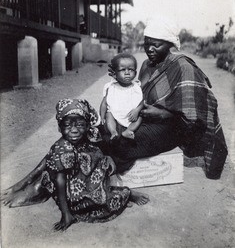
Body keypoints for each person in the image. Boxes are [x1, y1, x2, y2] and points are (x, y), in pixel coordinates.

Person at [106, 18, 228, 180]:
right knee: (103, 131)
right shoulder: (146, 65)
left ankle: (113, 170)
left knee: (120, 143)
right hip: (138, 119)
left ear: (170, 44)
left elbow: (196, 114)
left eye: (156, 45)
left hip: (169, 128)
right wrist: (118, 81)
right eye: (147, 43)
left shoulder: (183, 68)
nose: (150, 49)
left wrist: (163, 114)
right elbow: (135, 94)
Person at [2, 98, 149, 231]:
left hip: (93, 174)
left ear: (86, 126)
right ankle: (123, 194)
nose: (74, 130)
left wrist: (108, 157)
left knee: (101, 198)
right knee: (82, 204)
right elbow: (60, 181)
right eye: (67, 125)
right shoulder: (62, 149)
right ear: (60, 128)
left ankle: (127, 193)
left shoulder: (91, 134)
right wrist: (66, 214)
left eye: (80, 125)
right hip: (72, 184)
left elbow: (103, 145)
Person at [100, 53, 143, 140]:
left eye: (131, 69)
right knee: (109, 114)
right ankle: (113, 131)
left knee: (141, 116)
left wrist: (137, 110)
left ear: (135, 73)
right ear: (115, 73)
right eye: (123, 70)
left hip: (131, 114)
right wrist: (102, 116)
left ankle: (128, 130)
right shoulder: (111, 87)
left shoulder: (136, 87)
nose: (127, 73)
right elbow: (104, 103)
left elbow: (142, 101)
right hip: (115, 113)